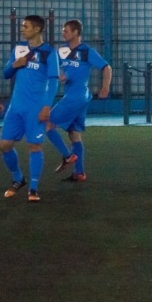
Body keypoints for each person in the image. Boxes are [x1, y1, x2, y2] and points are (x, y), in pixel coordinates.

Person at [0, 15, 60, 202]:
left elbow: (53, 81)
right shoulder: (19, 49)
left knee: (34, 146)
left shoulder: (49, 53)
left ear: (37, 29)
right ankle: (18, 178)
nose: (22, 29)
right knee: (4, 145)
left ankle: (33, 188)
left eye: (25, 26)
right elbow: (6, 74)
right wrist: (14, 65)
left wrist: (47, 107)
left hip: (35, 107)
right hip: (16, 106)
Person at [44, 19, 112, 182]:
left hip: (76, 96)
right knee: (74, 134)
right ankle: (79, 173)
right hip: (79, 96)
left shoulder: (86, 51)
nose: (63, 33)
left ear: (75, 33)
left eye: (66, 30)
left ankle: (67, 156)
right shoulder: (62, 51)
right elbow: (53, 67)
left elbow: (106, 67)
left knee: (47, 123)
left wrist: (105, 87)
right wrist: (60, 75)